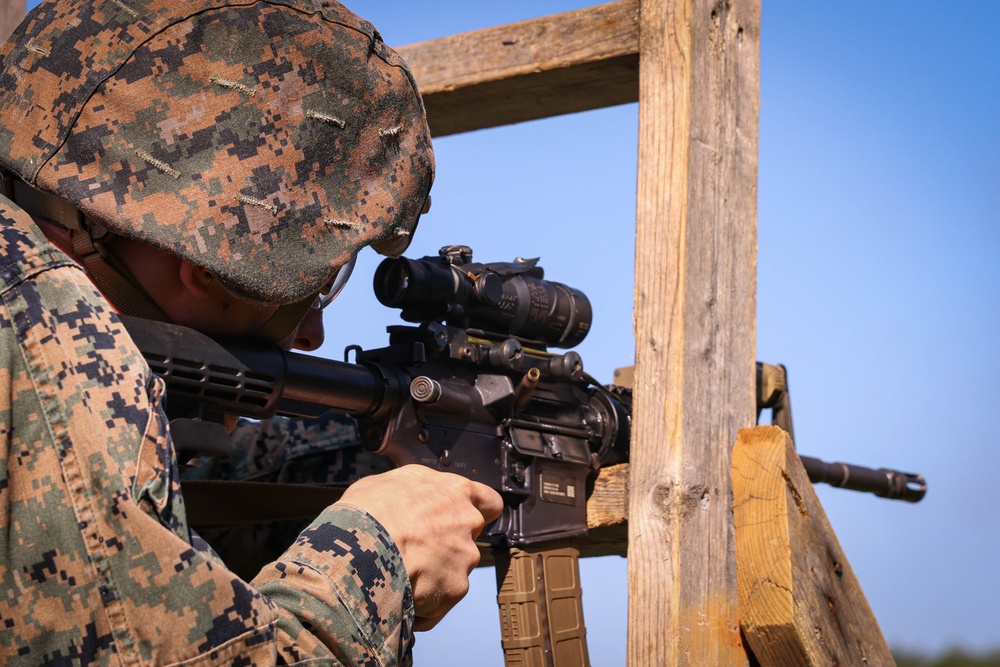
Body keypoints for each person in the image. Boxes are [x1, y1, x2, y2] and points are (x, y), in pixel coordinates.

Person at [0, 1, 503, 664]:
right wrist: (379, 549)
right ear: (212, 272)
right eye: (313, 282)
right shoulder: (51, 332)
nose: (315, 333)